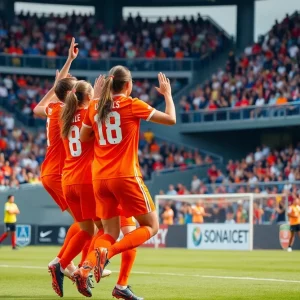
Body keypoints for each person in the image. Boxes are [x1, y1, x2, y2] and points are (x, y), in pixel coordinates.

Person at [75, 67, 176, 297]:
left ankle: (85, 270)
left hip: (100, 179)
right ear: (128, 85)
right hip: (125, 177)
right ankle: (107, 254)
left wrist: (98, 102)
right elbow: (171, 119)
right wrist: (167, 94)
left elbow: (83, 137)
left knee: (109, 232)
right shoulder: (132, 104)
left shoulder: (96, 106)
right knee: (151, 227)